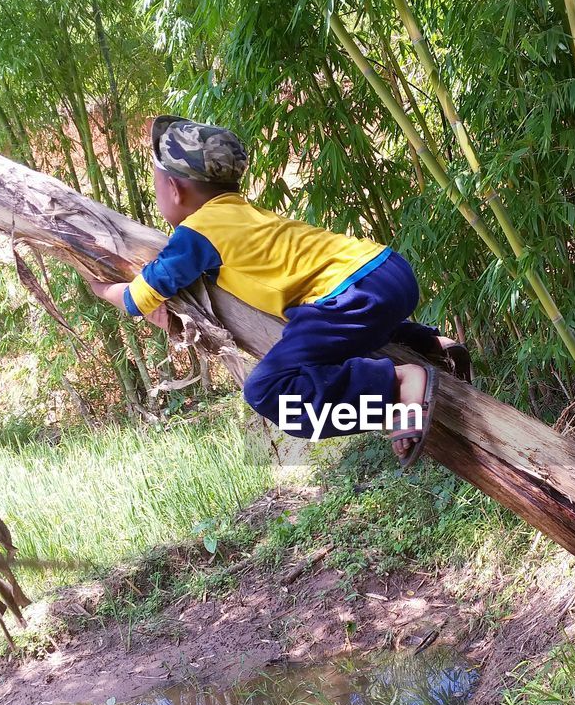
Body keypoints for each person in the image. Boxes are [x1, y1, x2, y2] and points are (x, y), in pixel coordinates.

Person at [86, 115, 470, 466]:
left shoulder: (197, 232)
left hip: (351, 292)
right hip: (387, 271)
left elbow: (139, 297)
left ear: (172, 188)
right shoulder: (244, 213)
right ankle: (433, 344)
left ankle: (398, 387)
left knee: (271, 391)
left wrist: (102, 287)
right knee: (334, 335)